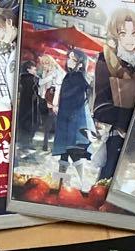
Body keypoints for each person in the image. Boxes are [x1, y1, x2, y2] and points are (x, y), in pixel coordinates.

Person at [92, 6, 135, 180]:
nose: (129, 39)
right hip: (116, 134)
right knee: (107, 179)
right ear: (115, 34)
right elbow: (100, 106)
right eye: (123, 33)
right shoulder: (106, 60)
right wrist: (124, 121)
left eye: (134, 34)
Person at [51, 49, 91, 193]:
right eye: (69, 58)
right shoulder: (70, 76)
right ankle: (60, 185)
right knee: (65, 153)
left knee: (72, 152)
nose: (69, 61)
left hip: (73, 121)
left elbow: (77, 100)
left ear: (80, 63)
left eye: (73, 59)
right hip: (66, 119)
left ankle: (82, 184)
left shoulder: (78, 77)